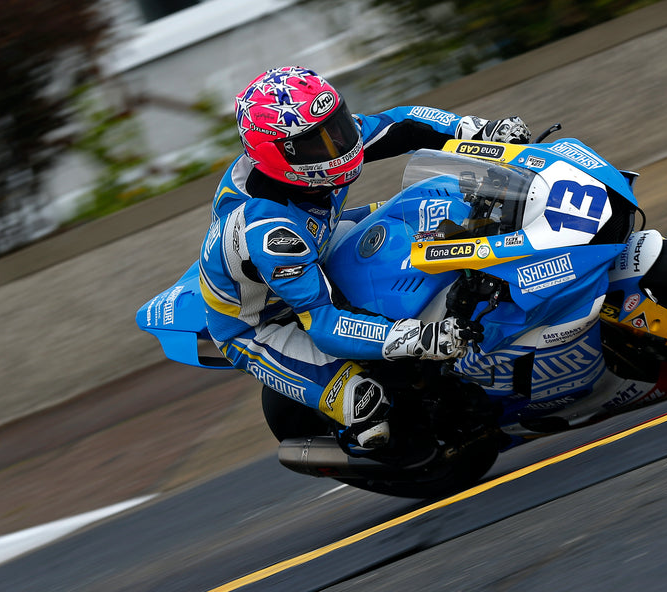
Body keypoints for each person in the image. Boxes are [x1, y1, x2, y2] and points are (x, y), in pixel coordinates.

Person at [199, 66, 531, 448]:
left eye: (337, 125)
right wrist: (417, 339)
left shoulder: (318, 146)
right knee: (365, 405)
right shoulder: (270, 230)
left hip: (318, 243)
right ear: (277, 155)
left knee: (438, 214)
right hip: (261, 321)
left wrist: (480, 131)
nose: (339, 144)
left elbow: (402, 124)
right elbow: (323, 322)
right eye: (318, 142)